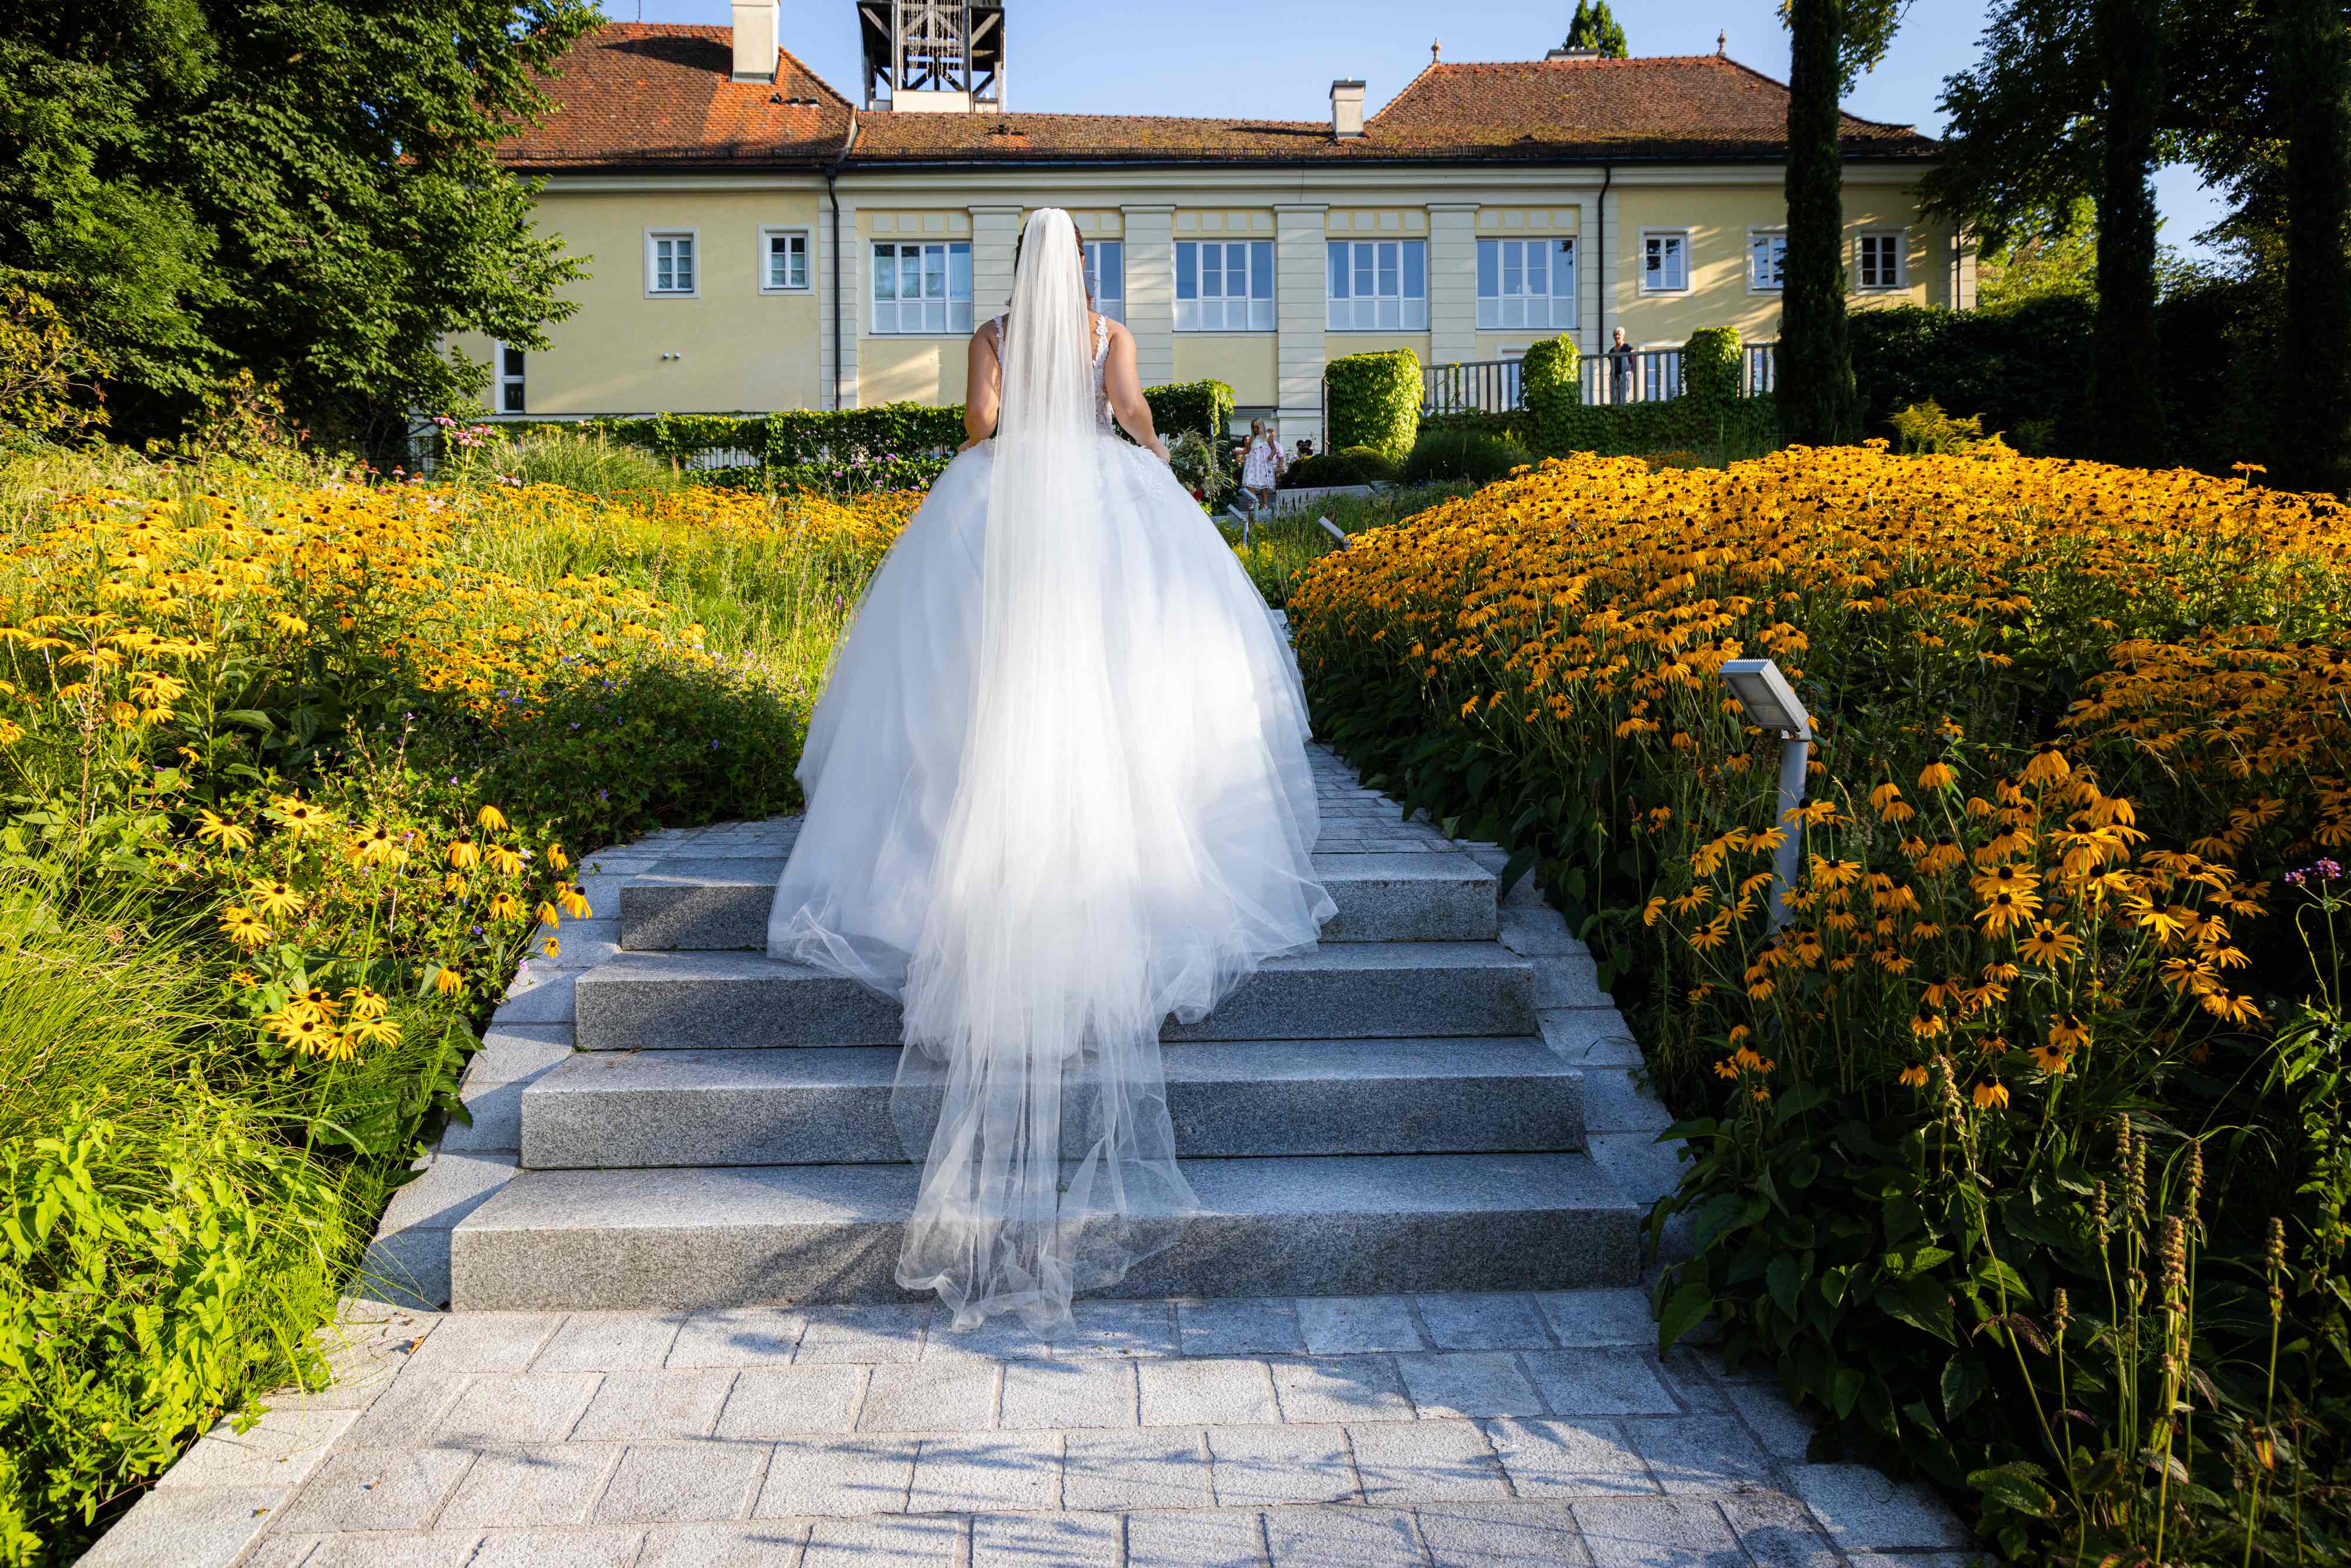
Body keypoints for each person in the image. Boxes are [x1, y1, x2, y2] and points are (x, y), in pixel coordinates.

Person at [767, 208, 1334, 1331]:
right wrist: (1159, 470)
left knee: (977, 680)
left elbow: (980, 429)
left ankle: (975, 837)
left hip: (1007, 497)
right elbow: (1129, 419)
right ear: (1085, 272)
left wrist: (1003, 448)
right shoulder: (1107, 332)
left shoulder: (988, 333)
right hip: (1095, 495)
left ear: (1018, 270)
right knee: (1128, 670)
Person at [1240, 418, 1285, 513]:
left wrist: (1270, 457)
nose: (1255, 430)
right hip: (1253, 464)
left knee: (1264, 486)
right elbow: (1247, 450)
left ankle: (1265, 505)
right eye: (1253, 428)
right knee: (1250, 482)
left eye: (1256, 428)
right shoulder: (1252, 439)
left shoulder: (1268, 437)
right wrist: (1238, 452)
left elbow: (1274, 449)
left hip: (1263, 464)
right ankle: (1253, 502)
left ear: (1261, 427)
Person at [1606, 327, 1636, 406]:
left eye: (1619, 335)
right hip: (1614, 375)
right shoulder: (1611, 351)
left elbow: (1632, 361)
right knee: (1614, 399)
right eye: (1615, 335)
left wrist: (1630, 372)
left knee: (1624, 398)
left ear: (1623, 336)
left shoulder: (1628, 348)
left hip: (1625, 374)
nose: (1617, 337)